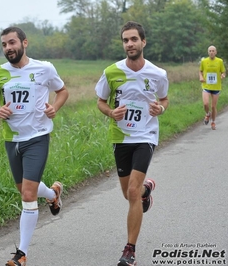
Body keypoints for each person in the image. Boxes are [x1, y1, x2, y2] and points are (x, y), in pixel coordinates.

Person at [0, 26, 69, 266]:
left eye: (12, 43)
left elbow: (62, 91)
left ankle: (21, 254)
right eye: (4, 45)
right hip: (12, 139)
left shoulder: (44, 68)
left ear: (24, 43)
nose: (8, 48)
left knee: (28, 195)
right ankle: (52, 194)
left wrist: (55, 108)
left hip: (38, 137)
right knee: (25, 189)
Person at [95, 21, 169, 266]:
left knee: (132, 192)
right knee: (129, 194)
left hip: (146, 136)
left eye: (133, 39)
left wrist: (161, 108)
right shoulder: (111, 72)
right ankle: (147, 190)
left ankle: (130, 251)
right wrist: (110, 113)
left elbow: (165, 99)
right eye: (125, 40)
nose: (129, 44)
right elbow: (101, 101)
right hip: (120, 137)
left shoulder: (157, 74)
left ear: (143, 42)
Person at [199, 45, 226, 130]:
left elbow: (223, 72)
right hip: (206, 85)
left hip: (216, 86)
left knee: (213, 107)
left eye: (213, 51)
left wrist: (222, 75)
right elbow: (200, 71)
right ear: (208, 52)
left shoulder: (220, 61)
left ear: (216, 52)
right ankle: (207, 114)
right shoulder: (204, 61)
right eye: (210, 51)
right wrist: (201, 77)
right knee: (205, 104)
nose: (211, 52)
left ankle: (213, 122)